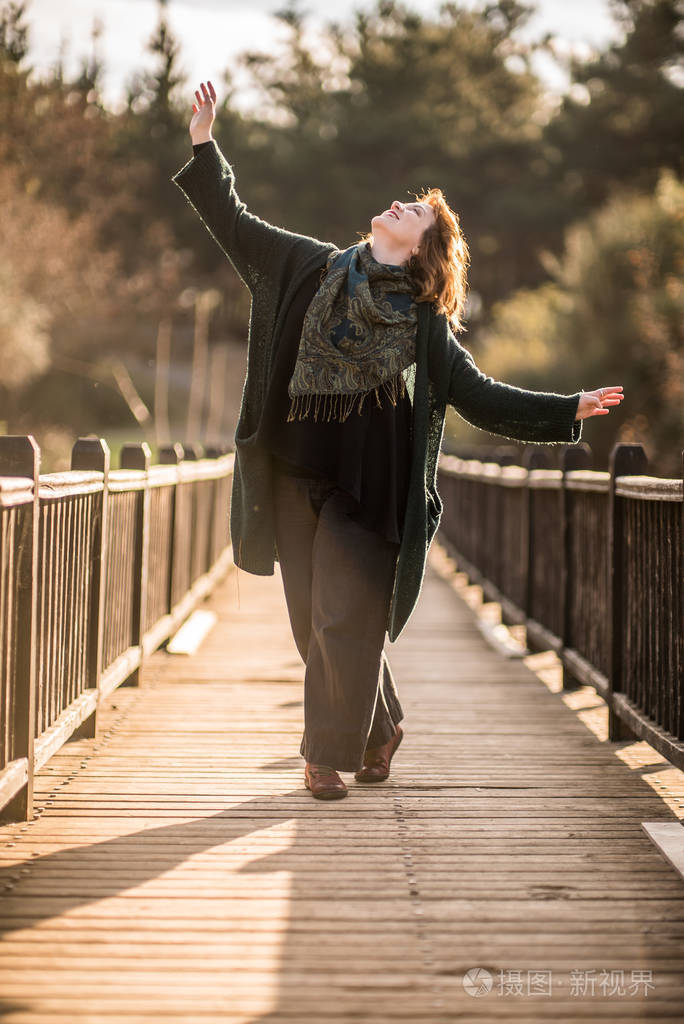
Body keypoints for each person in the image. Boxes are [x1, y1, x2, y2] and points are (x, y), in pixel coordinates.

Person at [172, 80, 625, 802]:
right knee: (310, 626)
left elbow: (480, 398)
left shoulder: (422, 324)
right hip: (293, 471)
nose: (397, 205)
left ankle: (322, 758)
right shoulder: (308, 266)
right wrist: (204, 142)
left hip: (370, 491)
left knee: (341, 618)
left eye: (412, 211)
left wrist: (568, 407)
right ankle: (380, 728)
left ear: (422, 248)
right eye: (402, 202)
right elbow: (234, 222)